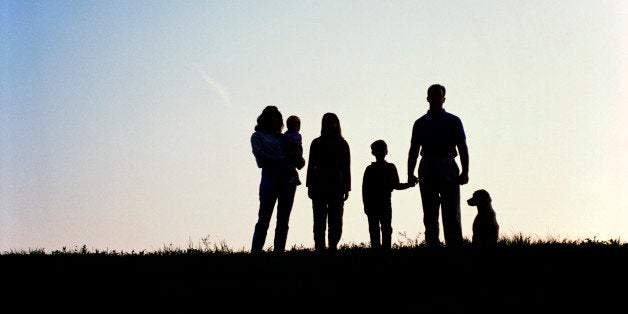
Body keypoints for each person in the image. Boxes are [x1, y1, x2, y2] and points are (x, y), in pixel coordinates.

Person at [407, 84, 469, 248]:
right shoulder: (420, 123)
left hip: (448, 164)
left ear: (444, 99)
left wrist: (465, 171)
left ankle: (454, 246)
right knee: (430, 211)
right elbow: (414, 149)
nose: (435, 99)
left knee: (452, 211)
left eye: (438, 96)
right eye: (432, 96)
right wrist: (410, 172)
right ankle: (432, 245)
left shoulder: (454, 121)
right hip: (427, 165)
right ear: (427, 99)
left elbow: (462, 147)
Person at [250, 106, 299, 253]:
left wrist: (297, 158)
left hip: (289, 180)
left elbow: (297, 158)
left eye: (276, 117)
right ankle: (256, 250)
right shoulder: (258, 136)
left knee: (283, 220)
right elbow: (261, 159)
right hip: (270, 180)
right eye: (270, 116)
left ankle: (279, 250)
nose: (273, 119)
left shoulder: (286, 137)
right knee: (264, 218)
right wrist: (284, 158)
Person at [306, 112, 351, 252]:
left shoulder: (343, 143)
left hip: (337, 185)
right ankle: (320, 247)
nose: (331, 125)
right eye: (328, 122)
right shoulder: (316, 143)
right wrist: (310, 185)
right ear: (323, 124)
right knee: (319, 220)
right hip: (319, 184)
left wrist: (347, 187)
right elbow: (311, 166)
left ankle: (332, 247)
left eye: (333, 122)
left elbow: (346, 166)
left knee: (336, 219)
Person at [362, 139, 415, 250]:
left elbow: (396, 185)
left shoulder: (386, 168)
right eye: (378, 150)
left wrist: (409, 184)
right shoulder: (374, 169)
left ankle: (383, 252)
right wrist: (366, 205)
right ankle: (381, 252)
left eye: (382, 150)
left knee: (383, 228)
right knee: (378, 229)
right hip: (376, 204)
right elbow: (365, 190)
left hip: (382, 203)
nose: (380, 153)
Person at [281, 115, 305, 185]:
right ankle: (293, 178)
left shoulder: (286, 135)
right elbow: (296, 145)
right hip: (292, 152)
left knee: (291, 167)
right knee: (290, 167)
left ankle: (294, 178)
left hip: (293, 153)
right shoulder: (295, 135)